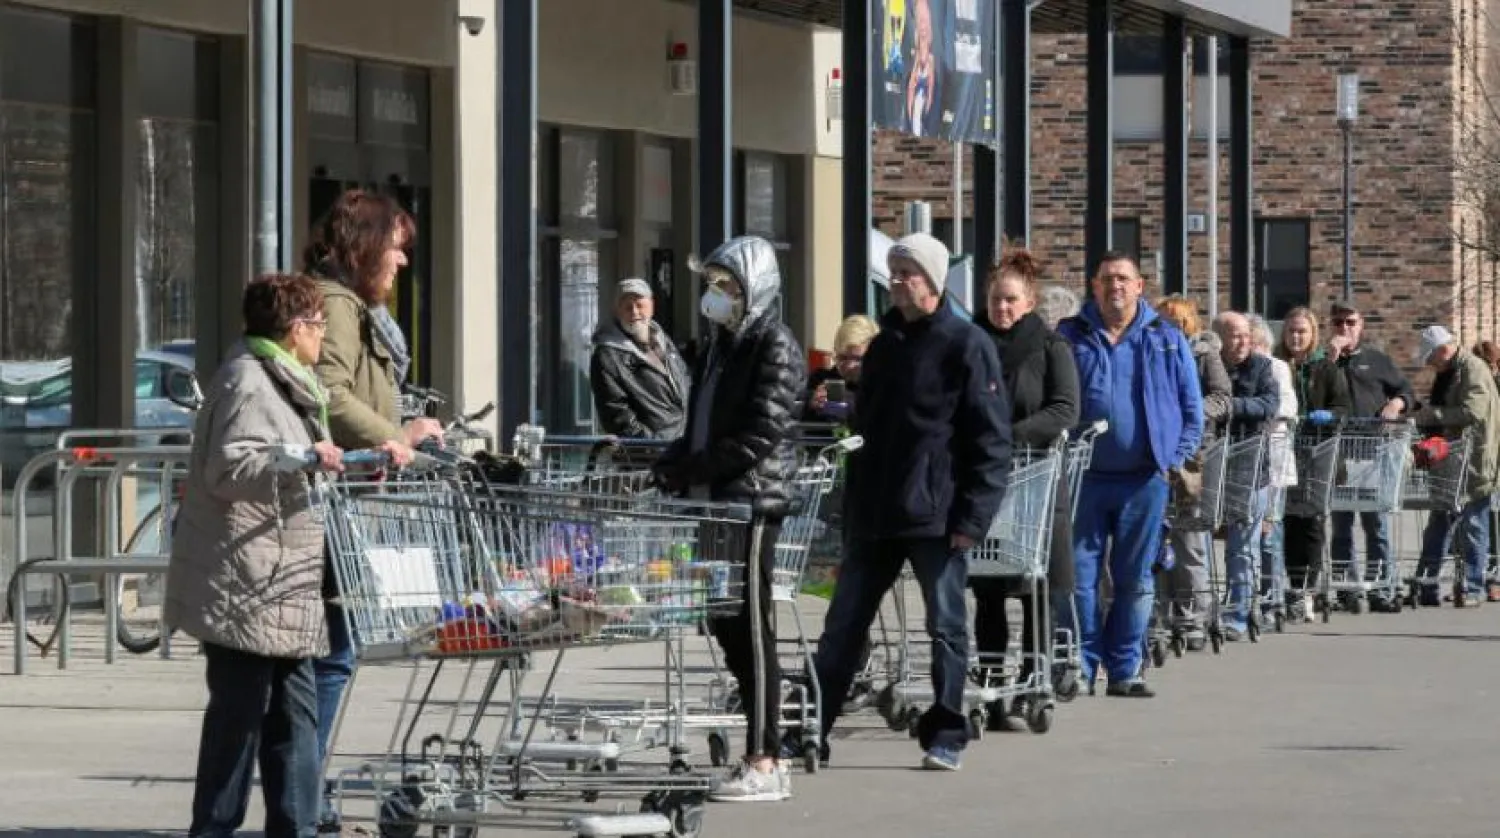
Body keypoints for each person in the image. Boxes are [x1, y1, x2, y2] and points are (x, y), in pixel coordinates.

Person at [801, 232, 1011, 771]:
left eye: (907, 273)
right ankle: (812, 731)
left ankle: (945, 732)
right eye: (892, 272)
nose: (896, 282)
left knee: (944, 625)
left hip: (936, 515)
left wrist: (973, 517)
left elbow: (990, 440)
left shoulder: (966, 344)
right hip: (875, 512)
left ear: (934, 282)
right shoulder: (886, 345)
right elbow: (868, 424)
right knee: (844, 625)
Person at [165, 274, 347, 838]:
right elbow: (228, 467)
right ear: (296, 330)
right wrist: (303, 457)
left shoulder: (282, 377)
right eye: (319, 325)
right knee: (238, 721)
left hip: (283, 581)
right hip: (246, 582)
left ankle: (297, 828)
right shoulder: (248, 380)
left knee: (294, 716)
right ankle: (213, 829)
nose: (323, 336)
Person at [652, 236, 804, 802]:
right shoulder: (719, 345)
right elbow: (702, 421)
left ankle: (767, 757)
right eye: (712, 285)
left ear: (754, 289)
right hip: (713, 498)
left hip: (751, 501)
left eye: (727, 286)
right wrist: (671, 461)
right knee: (721, 618)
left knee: (752, 626)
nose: (715, 296)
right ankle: (758, 745)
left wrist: (696, 465)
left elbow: (760, 434)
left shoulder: (774, 346)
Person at [303, 189, 433, 830]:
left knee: (333, 654)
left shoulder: (348, 305)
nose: (402, 262)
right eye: (395, 248)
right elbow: (328, 395)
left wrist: (406, 423)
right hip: (333, 503)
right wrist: (394, 435)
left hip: (349, 499)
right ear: (363, 247)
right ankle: (306, 797)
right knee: (332, 656)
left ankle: (305, 793)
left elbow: (358, 392)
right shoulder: (335, 304)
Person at [1056, 252, 1203, 697]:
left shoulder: (1165, 337)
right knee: (1079, 579)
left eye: (1123, 279)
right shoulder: (1069, 335)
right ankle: (1080, 666)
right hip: (1084, 478)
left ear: (1140, 286)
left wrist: (1173, 458)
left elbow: (1191, 408)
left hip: (1145, 479)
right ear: (1093, 286)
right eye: (1106, 280)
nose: (1115, 286)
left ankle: (1125, 670)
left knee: (1135, 579)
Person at [971, 244, 1079, 728]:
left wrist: (1009, 437)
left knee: (1036, 590)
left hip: (1034, 483)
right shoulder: (970, 344)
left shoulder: (1051, 347)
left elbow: (1064, 409)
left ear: (1030, 302)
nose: (1002, 308)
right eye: (996, 299)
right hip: (986, 485)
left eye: (1011, 299)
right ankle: (992, 687)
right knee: (989, 593)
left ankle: (1032, 685)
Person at [1153, 296, 1231, 650]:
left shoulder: (1203, 355)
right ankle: (1162, 613)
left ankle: (1193, 614)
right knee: (1156, 538)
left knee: (1188, 539)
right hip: (1157, 455)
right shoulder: (1151, 354)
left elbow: (1222, 397)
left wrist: (1191, 411)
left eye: (1172, 321)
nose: (1165, 326)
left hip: (1194, 457)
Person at [1326, 301, 1414, 611]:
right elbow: (1314, 392)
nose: (1345, 329)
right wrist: (1331, 359)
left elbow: (1407, 391)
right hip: (1337, 454)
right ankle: (1346, 588)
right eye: (1338, 323)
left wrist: (1396, 405)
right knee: (1341, 525)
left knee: (1375, 522)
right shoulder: (1326, 361)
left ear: (1361, 324)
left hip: (1372, 451)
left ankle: (1381, 586)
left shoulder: (1376, 360)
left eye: (1350, 322)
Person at [1410, 326, 1500, 608]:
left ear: (1443, 350)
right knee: (1440, 521)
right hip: (1454, 460)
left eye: (1431, 357)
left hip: (1475, 460)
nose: (1429, 364)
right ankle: (1426, 583)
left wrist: (1432, 414)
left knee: (1474, 523)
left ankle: (1473, 586)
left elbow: (1473, 412)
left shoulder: (1472, 369)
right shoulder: (1452, 371)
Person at [1274, 307, 1353, 620]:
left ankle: (1307, 588)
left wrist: (1329, 416)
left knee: (1311, 523)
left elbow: (1343, 407)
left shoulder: (1326, 369)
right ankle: (1292, 586)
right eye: (1291, 331)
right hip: (1286, 452)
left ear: (1312, 335)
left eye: (1301, 332)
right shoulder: (1277, 366)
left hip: (1318, 454)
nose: (1296, 337)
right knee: (1287, 522)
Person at [1211, 312, 1280, 639]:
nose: (1242, 341)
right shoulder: (1208, 368)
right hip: (1213, 466)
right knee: (1205, 544)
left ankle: (1238, 614)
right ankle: (1200, 609)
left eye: (1245, 335)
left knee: (1243, 546)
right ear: (1219, 338)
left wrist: (1228, 406)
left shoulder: (1262, 368)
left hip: (1250, 468)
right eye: (1234, 335)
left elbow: (1268, 405)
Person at [589, 277, 690, 440]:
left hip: (683, 450)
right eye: (627, 307)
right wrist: (652, 444)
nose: (634, 312)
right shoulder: (607, 357)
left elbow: (685, 388)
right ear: (617, 311)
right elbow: (616, 416)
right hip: (650, 456)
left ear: (652, 307)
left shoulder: (664, 342)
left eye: (640, 305)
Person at [1248, 313, 1299, 623]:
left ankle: (1273, 600)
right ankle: (1252, 594)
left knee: (1269, 532)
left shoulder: (1276, 368)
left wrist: (1255, 413)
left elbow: (1287, 408)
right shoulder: (1242, 370)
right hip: (1248, 461)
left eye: (1250, 340)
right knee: (1250, 532)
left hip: (1274, 458)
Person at [805, 315, 879, 424]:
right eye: (843, 358)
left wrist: (848, 406)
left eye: (858, 359)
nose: (849, 365)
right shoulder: (819, 379)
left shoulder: (883, 386)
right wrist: (811, 406)